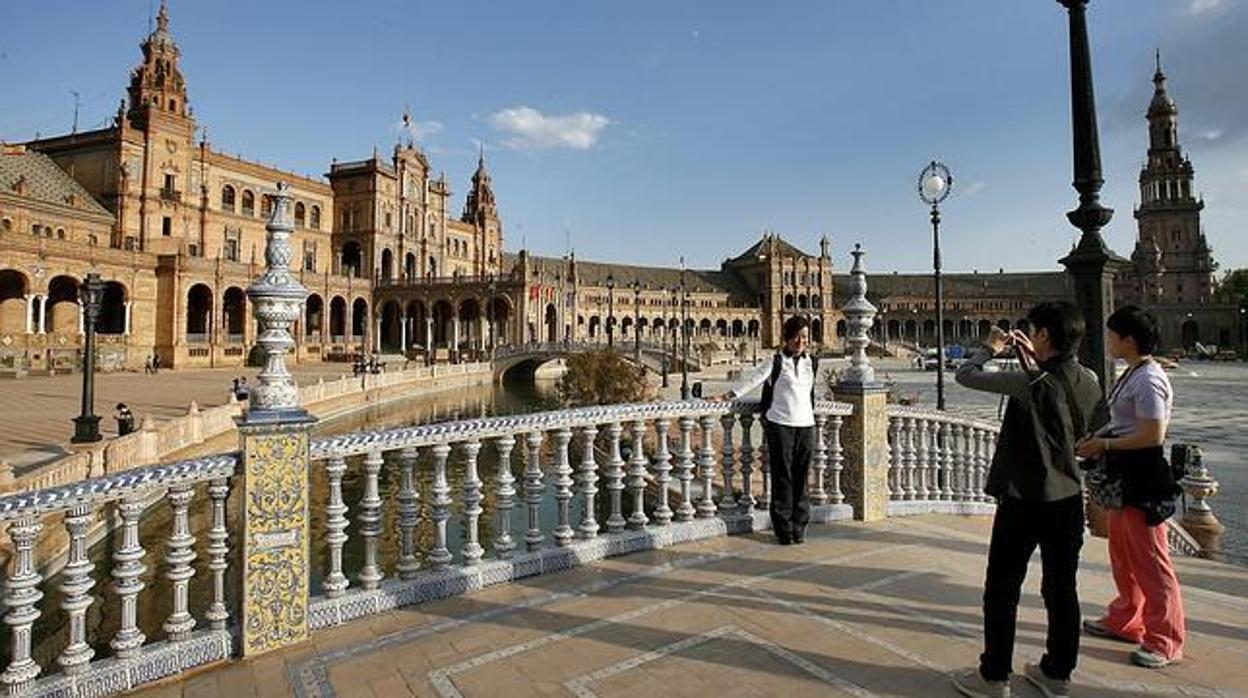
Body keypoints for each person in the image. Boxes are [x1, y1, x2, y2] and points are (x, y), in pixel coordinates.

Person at [950, 301, 1101, 698]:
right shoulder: (1090, 379)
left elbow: (965, 375)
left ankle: (994, 675)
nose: (1031, 335)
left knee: (1002, 588)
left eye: (1035, 330)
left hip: (1024, 500)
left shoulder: (1028, 383)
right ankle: (1056, 672)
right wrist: (1030, 358)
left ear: (1045, 335)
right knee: (1061, 588)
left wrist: (991, 349)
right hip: (1068, 499)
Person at [1075, 305, 1186, 669]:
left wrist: (1103, 445)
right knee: (1123, 552)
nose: (1107, 340)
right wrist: (1099, 437)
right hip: (1124, 476)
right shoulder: (1132, 373)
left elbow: (1152, 436)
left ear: (1128, 339)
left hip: (1143, 478)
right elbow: (1125, 424)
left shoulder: (1149, 379)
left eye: (1112, 335)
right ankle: (1126, 618)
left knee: (1152, 561)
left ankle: (1165, 639)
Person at [711, 315, 818, 545]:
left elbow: (809, 394)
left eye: (805, 337)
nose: (801, 341)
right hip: (780, 424)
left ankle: (799, 528)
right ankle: (783, 530)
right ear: (788, 337)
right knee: (783, 478)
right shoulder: (776, 361)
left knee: (801, 479)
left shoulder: (812, 362)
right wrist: (728, 396)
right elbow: (752, 381)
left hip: (806, 425)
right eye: (797, 337)